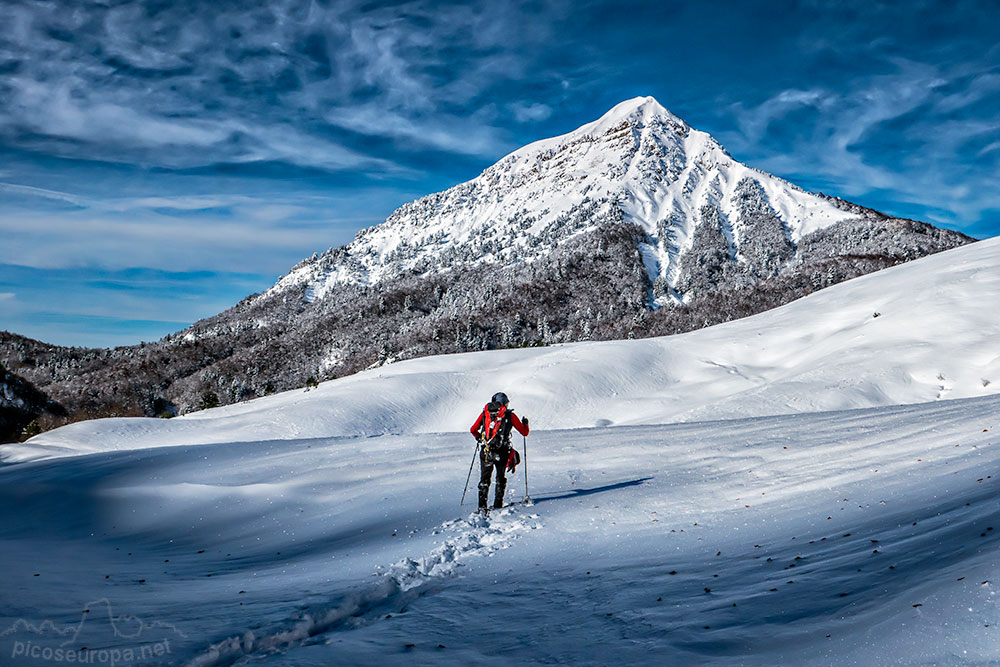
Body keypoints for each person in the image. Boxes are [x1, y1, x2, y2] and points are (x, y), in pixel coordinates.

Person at [470, 391, 529, 512]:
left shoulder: (485, 414)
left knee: (484, 479)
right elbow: (524, 432)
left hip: (486, 451)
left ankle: (482, 507)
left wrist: (480, 438)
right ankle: (498, 504)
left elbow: (473, 429)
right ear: (505, 403)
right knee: (500, 478)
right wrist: (525, 423)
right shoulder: (509, 415)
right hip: (502, 451)